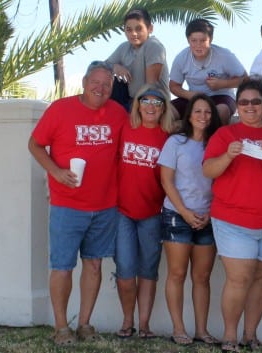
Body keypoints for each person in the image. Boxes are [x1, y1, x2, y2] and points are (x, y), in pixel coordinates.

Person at [28, 61, 127, 345]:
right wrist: (56, 172)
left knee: (94, 265)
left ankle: (84, 324)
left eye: (106, 84)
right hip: (67, 206)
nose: (101, 88)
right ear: (84, 81)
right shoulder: (60, 109)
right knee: (63, 266)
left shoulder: (118, 114)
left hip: (106, 205)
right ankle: (61, 328)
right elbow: (34, 144)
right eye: (95, 82)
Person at [203, 78, 262, 353]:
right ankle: (230, 337)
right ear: (237, 107)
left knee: (260, 279)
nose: (250, 106)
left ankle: (250, 336)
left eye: (256, 101)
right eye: (244, 102)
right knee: (239, 279)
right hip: (234, 221)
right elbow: (208, 171)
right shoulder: (225, 136)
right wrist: (228, 156)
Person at [158, 94, 222, 346]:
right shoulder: (176, 142)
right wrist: (184, 212)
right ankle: (179, 329)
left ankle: (202, 331)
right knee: (176, 273)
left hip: (208, 217)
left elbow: (223, 182)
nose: (203, 116)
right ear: (189, 115)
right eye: (198, 111)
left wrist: (210, 212)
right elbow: (166, 180)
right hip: (177, 216)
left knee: (202, 277)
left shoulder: (217, 144)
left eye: (208, 112)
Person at [113, 84, 174, 339]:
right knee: (125, 271)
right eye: (145, 101)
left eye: (157, 102)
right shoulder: (125, 128)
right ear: (137, 104)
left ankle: (144, 325)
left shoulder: (169, 137)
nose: (151, 106)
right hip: (121, 212)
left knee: (148, 271)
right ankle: (127, 320)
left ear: (164, 109)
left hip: (152, 213)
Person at [169, 18, 247, 125]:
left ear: (210, 39)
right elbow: (173, 86)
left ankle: (216, 141)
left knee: (221, 112)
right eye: (194, 40)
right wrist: (190, 95)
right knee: (165, 111)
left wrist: (222, 84)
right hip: (193, 97)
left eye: (202, 40)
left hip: (222, 97)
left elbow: (245, 79)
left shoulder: (224, 55)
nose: (198, 45)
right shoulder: (181, 58)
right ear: (188, 40)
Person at [106, 8, 169, 111]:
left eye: (138, 29)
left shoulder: (153, 45)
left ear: (150, 29)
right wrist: (114, 67)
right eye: (129, 30)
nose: (133, 33)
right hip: (131, 100)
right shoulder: (124, 47)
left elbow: (151, 86)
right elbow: (98, 67)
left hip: (152, 102)